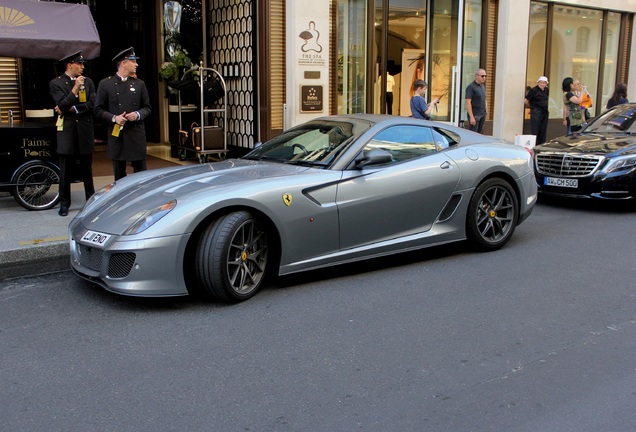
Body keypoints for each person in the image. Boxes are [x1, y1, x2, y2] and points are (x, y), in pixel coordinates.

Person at [49, 51, 96, 217]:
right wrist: (75, 89)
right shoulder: (56, 83)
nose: (83, 67)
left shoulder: (88, 82)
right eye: (79, 64)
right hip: (67, 131)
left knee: (87, 170)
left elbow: (93, 103)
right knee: (65, 170)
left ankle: (90, 201)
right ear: (70, 65)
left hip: (84, 129)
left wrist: (75, 108)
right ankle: (64, 203)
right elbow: (61, 105)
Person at [94, 47, 152, 180]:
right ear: (123, 63)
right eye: (133, 61)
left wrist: (137, 114)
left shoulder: (139, 84)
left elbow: (147, 108)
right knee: (119, 176)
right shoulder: (106, 84)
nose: (136, 64)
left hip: (136, 133)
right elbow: (98, 109)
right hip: (117, 134)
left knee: (141, 175)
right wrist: (114, 118)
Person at [524, 76, 550, 145]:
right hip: (536, 112)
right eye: (541, 82)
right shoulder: (533, 90)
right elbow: (526, 100)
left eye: (544, 83)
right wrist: (532, 107)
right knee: (535, 130)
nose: (542, 84)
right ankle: (534, 144)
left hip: (544, 111)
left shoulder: (546, 90)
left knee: (543, 130)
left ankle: (541, 144)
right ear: (538, 83)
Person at [465, 68, 487, 133]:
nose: (484, 78)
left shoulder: (482, 86)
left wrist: (486, 110)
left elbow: (484, 98)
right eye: (482, 76)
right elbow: (468, 102)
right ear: (477, 76)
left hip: (482, 114)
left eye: (485, 76)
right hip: (475, 115)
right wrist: (471, 117)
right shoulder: (471, 87)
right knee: (473, 133)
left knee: (480, 134)